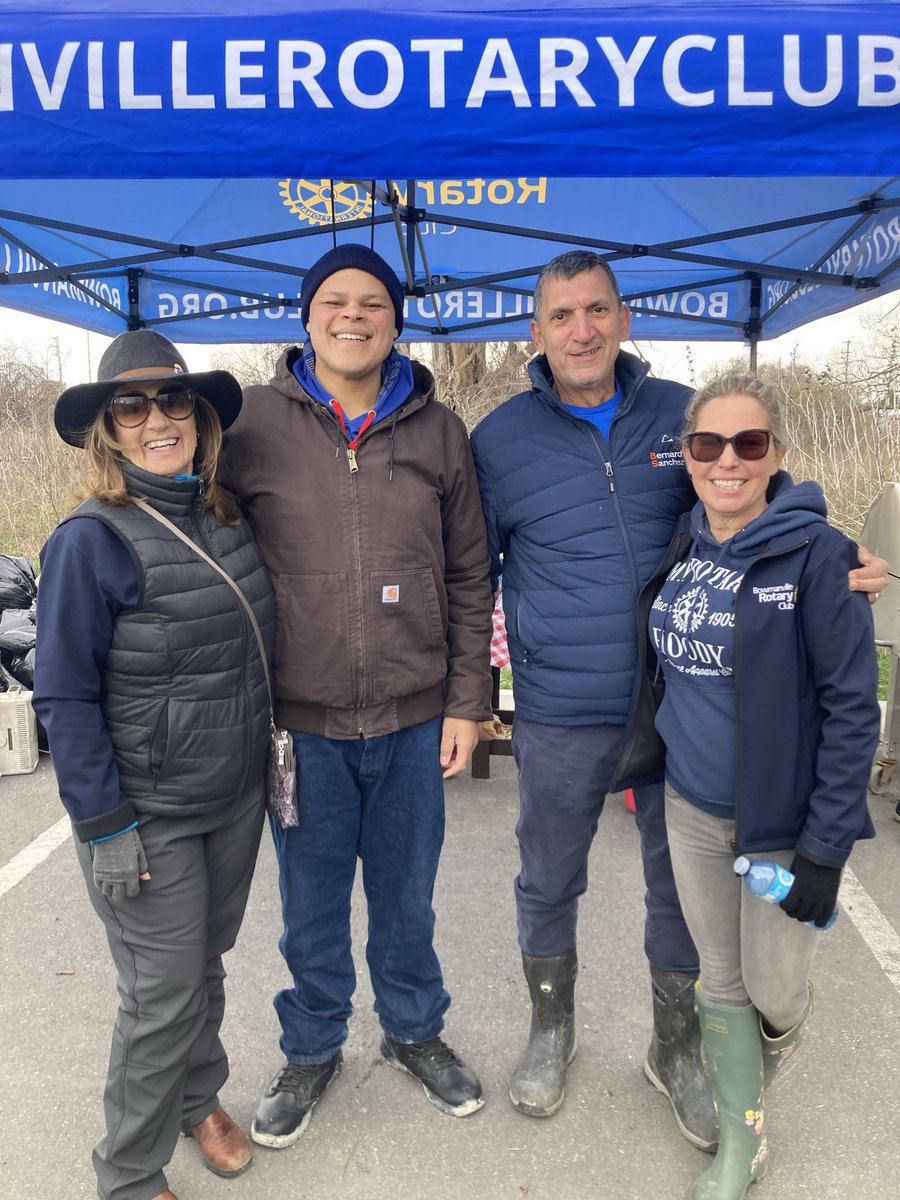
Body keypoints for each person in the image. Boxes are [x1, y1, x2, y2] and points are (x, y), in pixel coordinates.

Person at [469, 250, 887, 1148]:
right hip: (559, 706)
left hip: (680, 706)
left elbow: (754, 502)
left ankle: (676, 1044)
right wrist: (474, 695)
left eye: (595, 310)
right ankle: (552, 1028)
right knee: (548, 875)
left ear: (623, 319)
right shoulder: (497, 440)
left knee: (679, 891)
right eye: (559, 316)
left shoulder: (682, 417)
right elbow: (474, 575)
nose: (579, 330)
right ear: (533, 331)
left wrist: (839, 556)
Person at [220, 243, 493, 1147]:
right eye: (334, 300)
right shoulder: (249, 424)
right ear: (304, 318)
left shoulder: (438, 429)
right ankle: (311, 1047)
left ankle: (415, 1032)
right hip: (301, 728)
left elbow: (468, 574)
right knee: (311, 904)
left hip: (417, 719)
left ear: (395, 320)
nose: (352, 315)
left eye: (372, 302)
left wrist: (466, 702)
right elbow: (201, 552)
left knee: (408, 898)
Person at [621, 373, 880, 1198]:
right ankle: (743, 1145)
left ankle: (751, 1087)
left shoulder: (821, 555)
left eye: (749, 443)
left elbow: (851, 707)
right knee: (720, 981)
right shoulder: (686, 543)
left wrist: (828, 846)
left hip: (780, 822)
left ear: (776, 455)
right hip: (691, 808)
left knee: (771, 992)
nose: (727, 460)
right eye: (709, 444)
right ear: (688, 456)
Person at [32, 330, 275, 1200]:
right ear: (108, 431)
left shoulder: (221, 511)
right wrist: (104, 828)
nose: (156, 420)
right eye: (129, 408)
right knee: (161, 996)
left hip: (232, 794)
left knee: (205, 962)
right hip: (146, 815)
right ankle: (129, 1174)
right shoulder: (88, 541)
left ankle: (196, 1098)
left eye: (174, 401)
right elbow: (61, 696)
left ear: (201, 417)